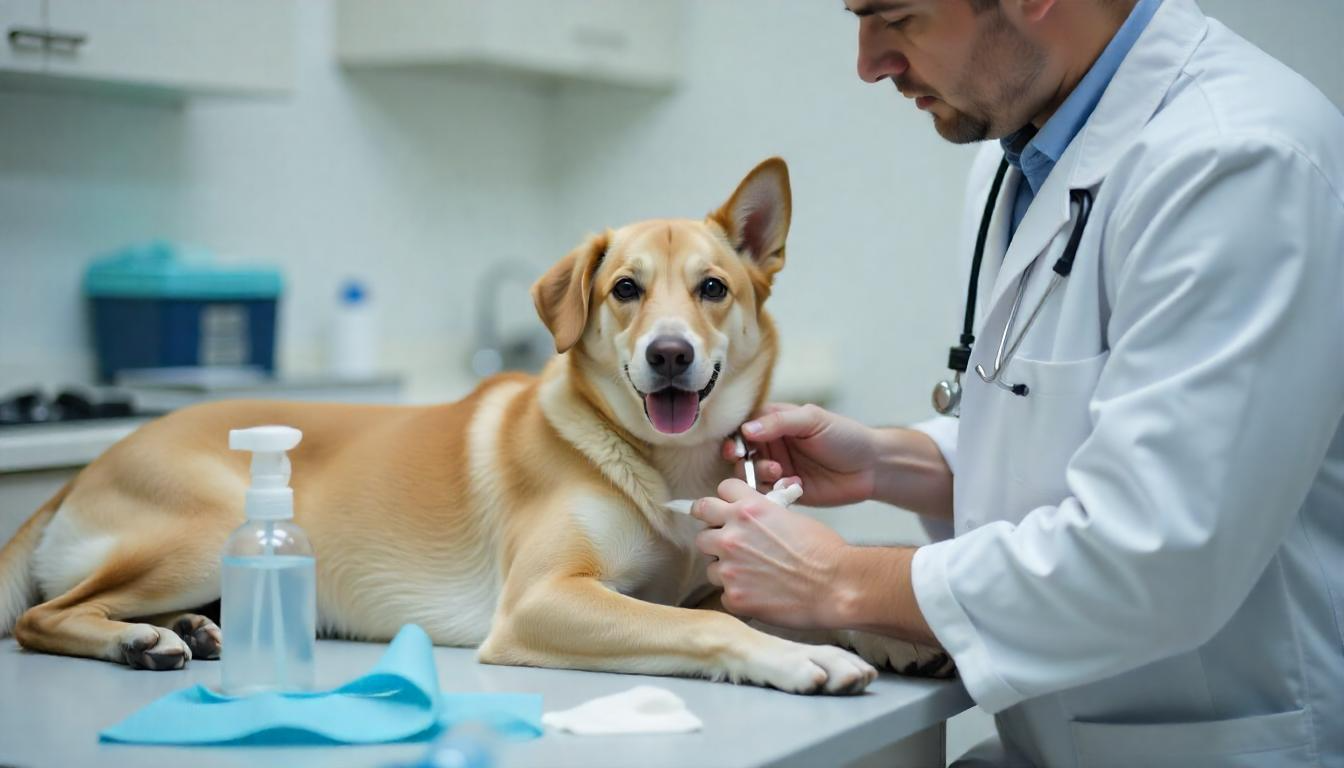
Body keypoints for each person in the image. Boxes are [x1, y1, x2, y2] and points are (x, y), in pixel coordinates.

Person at [690, 0, 1344, 765]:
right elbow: (1074, 433)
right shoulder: (1022, 158)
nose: (870, 62)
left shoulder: (1237, 158)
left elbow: (1157, 554)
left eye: (896, 18)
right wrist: (891, 464)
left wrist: (835, 579)